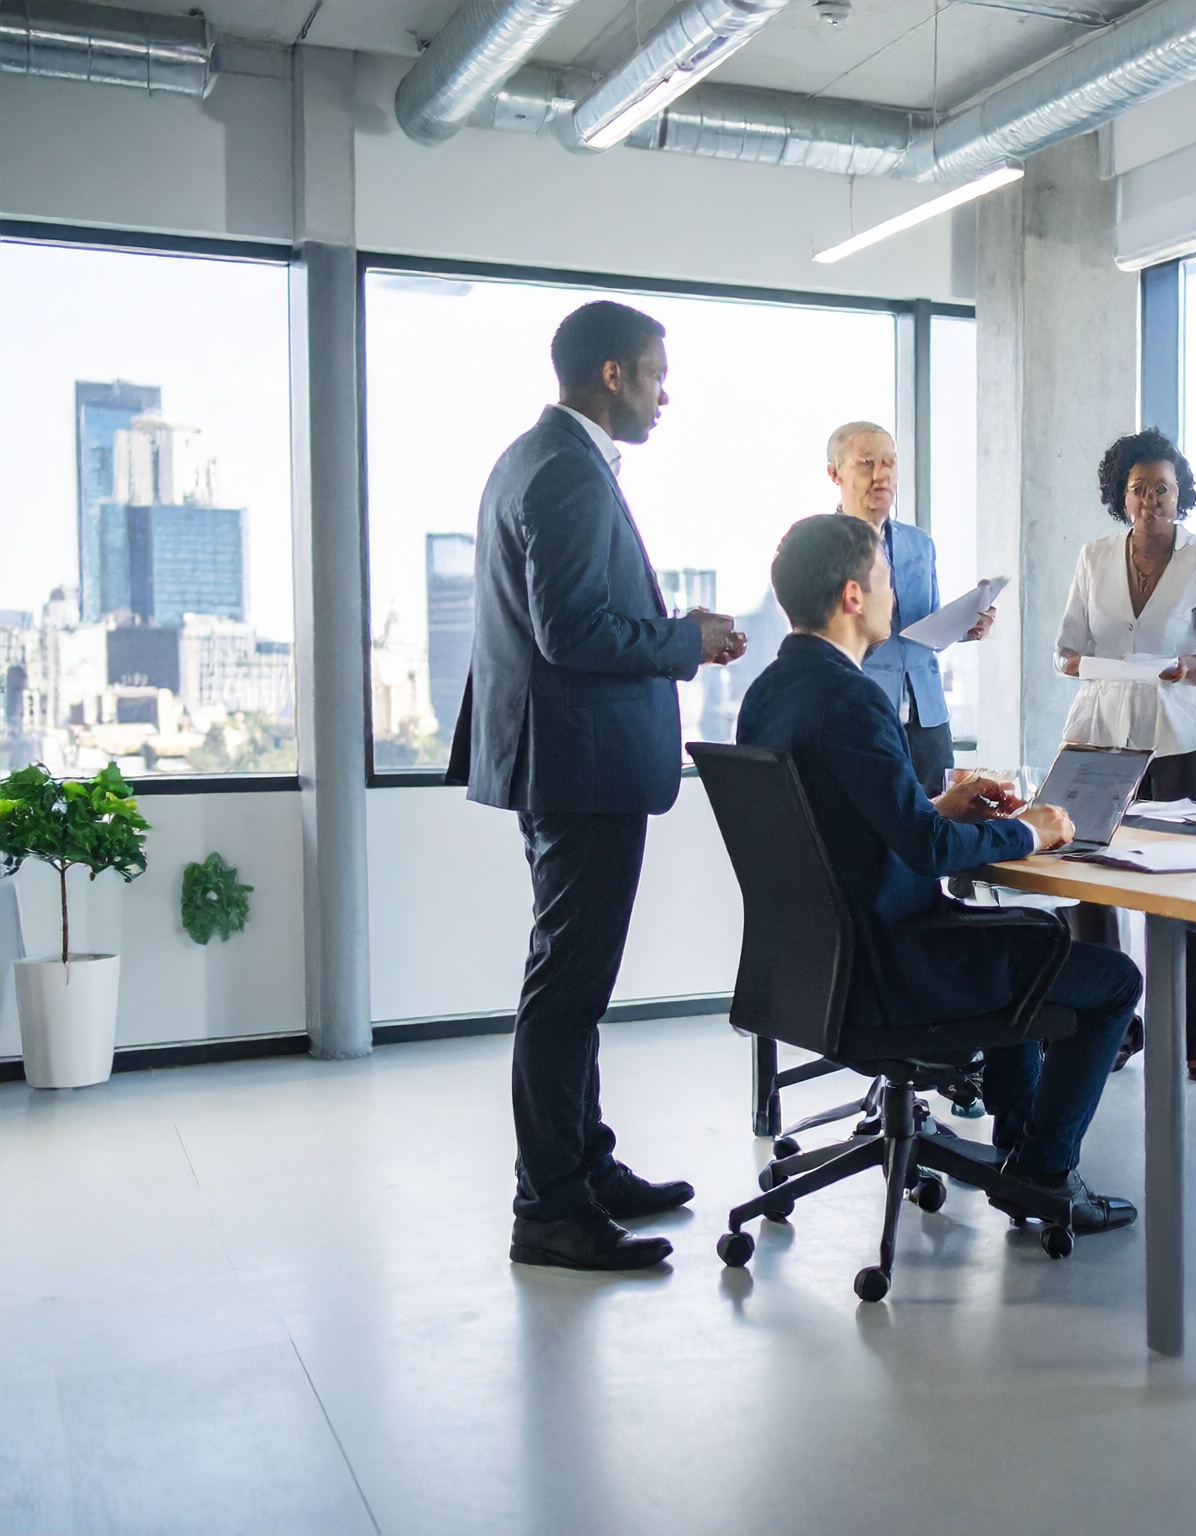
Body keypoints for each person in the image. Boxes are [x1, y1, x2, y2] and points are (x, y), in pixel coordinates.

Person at [447, 300, 748, 1271]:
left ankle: (586, 1167)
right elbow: (571, 632)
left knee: (571, 982)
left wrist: (672, 631)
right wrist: (687, 643)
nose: (667, 395)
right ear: (611, 374)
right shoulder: (568, 472)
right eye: (658, 374)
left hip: (562, 762)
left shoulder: (534, 459)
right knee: (567, 990)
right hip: (578, 769)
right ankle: (551, 1209)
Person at [738, 514, 1141, 1233]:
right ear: (855, 596)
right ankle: (1043, 1172)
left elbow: (838, 823)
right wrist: (1030, 828)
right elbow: (923, 852)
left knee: (1026, 939)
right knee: (1111, 980)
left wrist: (936, 805)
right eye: (888, 581)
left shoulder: (769, 694)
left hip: (815, 968)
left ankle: (1020, 1152)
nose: (899, 597)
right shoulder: (853, 698)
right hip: (894, 970)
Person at [1055, 428, 1196, 1078]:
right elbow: (1066, 650)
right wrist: (1098, 665)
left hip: (1181, 742)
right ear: (1121, 494)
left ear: (1179, 492)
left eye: (1161, 489)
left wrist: (1185, 668)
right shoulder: (1094, 555)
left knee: (1188, 893)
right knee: (1092, 890)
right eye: (1138, 490)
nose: (1150, 501)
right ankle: (1110, 1028)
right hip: (1101, 738)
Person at [825, 420, 993, 794]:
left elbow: (925, 627)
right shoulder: (819, 545)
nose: (881, 474)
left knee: (942, 818)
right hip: (864, 709)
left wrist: (965, 626)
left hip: (927, 712)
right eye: (866, 463)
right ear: (835, 473)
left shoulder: (920, 543)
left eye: (889, 463)